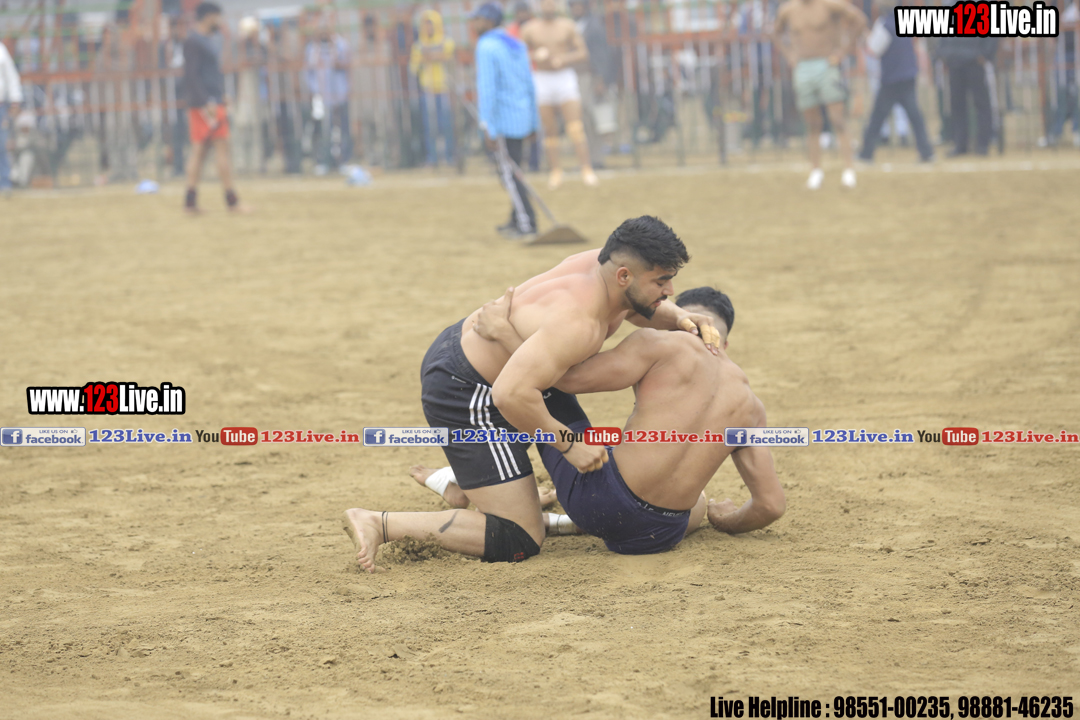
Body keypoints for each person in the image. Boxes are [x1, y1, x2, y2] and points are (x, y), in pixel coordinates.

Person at [343, 217, 723, 572]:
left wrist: (678, 316)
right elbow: (511, 394)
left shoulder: (601, 266)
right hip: (469, 389)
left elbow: (637, 308)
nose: (670, 291)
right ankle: (379, 522)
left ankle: (467, 485)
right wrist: (569, 445)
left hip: (506, 367)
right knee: (519, 537)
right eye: (662, 282)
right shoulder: (579, 323)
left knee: (560, 454)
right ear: (624, 275)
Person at [467, 284, 785, 553]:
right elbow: (770, 505)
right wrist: (723, 521)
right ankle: (559, 522)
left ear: (677, 322)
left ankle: (473, 476)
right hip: (662, 534)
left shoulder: (661, 342)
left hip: (600, 504)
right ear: (725, 342)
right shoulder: (751, 406)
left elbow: (568, 379)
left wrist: (505, 333)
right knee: (697, 500)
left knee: (540, 387)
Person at [774, 0, 868, 189]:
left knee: (838, 119)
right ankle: (816, 171)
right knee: (811, 123)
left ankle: (848, 169)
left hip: (827, 64)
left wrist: (843, 51)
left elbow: (859, 20)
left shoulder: (830, 4)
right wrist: (790, 55)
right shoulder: (788, 10)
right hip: (803, 67)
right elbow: (776, 33)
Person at [471, 2, 540, 239]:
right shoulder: (515, 43)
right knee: (514, 170)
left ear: (489, 21)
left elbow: (487, 89)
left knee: (509, 176)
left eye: (477, 19)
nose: (474, 23)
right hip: (522, 118)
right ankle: (515, 218)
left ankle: (527, 222)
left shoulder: (486, 45)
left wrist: (486, 125)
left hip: (502, 121)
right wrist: (534, 121)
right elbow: (530, 83)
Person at [521, 0, 597, 188]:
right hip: (542, 78)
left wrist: (563, 59)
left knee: (575, 127)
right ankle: (556, 171)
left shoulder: (567, 25)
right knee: (549, 129)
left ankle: (586, 169)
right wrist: (535, 56)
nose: (548, 5)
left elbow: (582, 52)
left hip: (564, 77)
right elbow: (519, 54)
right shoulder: (530, 28)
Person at [182, 2, 247, 213]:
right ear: (208, 16)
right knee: (220, 149)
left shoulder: (204, 40)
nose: (219, 21)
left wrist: (220, 95)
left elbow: (208, 74)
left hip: (209, 101)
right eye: (216, 16)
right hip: (206, 105)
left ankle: (190, 202)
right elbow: (191, 75)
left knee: (200, 152)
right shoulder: (193, 41)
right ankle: (232, 201)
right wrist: (207, 102)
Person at [858, 0, 933, 163]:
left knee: (877, 117)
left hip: (891, 79)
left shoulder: (884, 24)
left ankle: (865, 154)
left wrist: (865, 35)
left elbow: (873, 50)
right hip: (908, 75)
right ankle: (927, 152)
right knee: (915, 116)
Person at [569, 0, 617, 168]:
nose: (576, 8)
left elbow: (602, 55)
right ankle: (586, 158)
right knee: (581, 119)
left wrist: (600, 79)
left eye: (579, 5)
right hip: (575, 76)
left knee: (592, 119)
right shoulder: (572, 25)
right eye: (573, 5)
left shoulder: (594, 26)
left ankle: (596, 158)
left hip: (590, 76)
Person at [934, 35, 996, 157]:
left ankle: (983, 144)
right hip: (954, 62)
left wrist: (985, 54)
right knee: (957, 105)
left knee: (981, 104)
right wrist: (944, 53)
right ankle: (960, 144)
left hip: (975, 62)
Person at [305, 18, 352, 174]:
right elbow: (309, 72)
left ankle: (343, 160)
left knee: (342, 127)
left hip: (340, 93)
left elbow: (348, 66)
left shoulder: (341, 45)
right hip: (320, 95)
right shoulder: (313, 48)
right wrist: (314, 91)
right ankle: (322, 161)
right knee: (321, 128)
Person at [410, 9, 456, 167]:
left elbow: (448, 57)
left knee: (447, 124)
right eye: (425, 25)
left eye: (430, 24)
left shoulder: (445, 41)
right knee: (430, 126)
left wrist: (430, 56)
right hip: (428, 88)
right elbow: (414, 66)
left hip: (444, 87)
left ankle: (450, 156)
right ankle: (433, 158)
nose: (428, 28)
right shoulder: (418, 45)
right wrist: (431, 57)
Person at [506, 1, 542, 172]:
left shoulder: (537, 27)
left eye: (524, 11)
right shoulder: (511, 30)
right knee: (520, 119)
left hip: (536, 74)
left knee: (536, 120)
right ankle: (520, 159)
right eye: (519, 12)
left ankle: (535, 160)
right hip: (517, 78)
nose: (521, 15)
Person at [234, 16, 266, 175]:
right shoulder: (237, 46)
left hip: (257, 91)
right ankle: (240, 163)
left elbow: (264, 61)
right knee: (241, 127)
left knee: (256, 127)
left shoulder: (261, 47)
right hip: (241, 92)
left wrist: (256, 45)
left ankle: (257, 163)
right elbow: (234, 64)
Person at [0, 37, 23, 195]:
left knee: (1, 145)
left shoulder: (1, 50)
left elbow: (11, 76)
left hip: (1, 106)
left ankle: (4, 182)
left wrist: (15, 100)